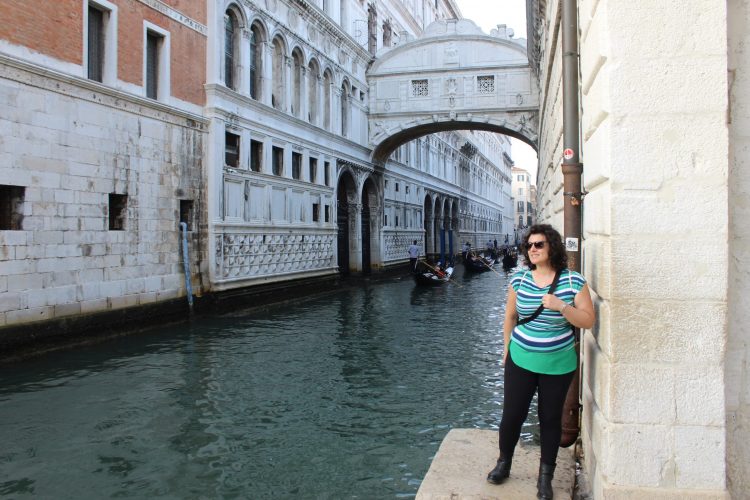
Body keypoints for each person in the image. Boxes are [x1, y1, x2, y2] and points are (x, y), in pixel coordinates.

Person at [487, 224, 595, 500]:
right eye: (529, 245)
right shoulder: (520, 279)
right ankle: (504, 463)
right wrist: (506, 348)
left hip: (558, 363)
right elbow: (510, 317)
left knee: (549, 419)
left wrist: (562, 306)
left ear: (552, 248)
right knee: (512, 415)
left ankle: (545, 477)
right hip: (520, 358)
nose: (532, 249)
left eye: (539, 245)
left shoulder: (573, 281)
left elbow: (588, 321)